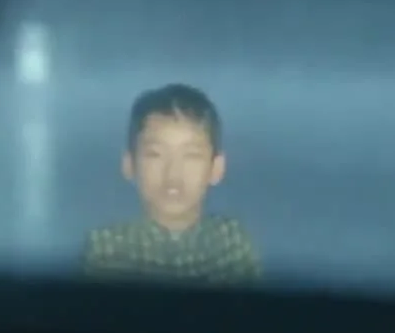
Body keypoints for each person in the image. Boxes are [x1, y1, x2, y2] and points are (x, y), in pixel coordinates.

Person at [82, 84, 262, 284]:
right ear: (129, 164)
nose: (173, 174)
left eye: (191, 156)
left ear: (216, 168)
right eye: (155, 155)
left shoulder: (230, 242)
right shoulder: (106, 249)